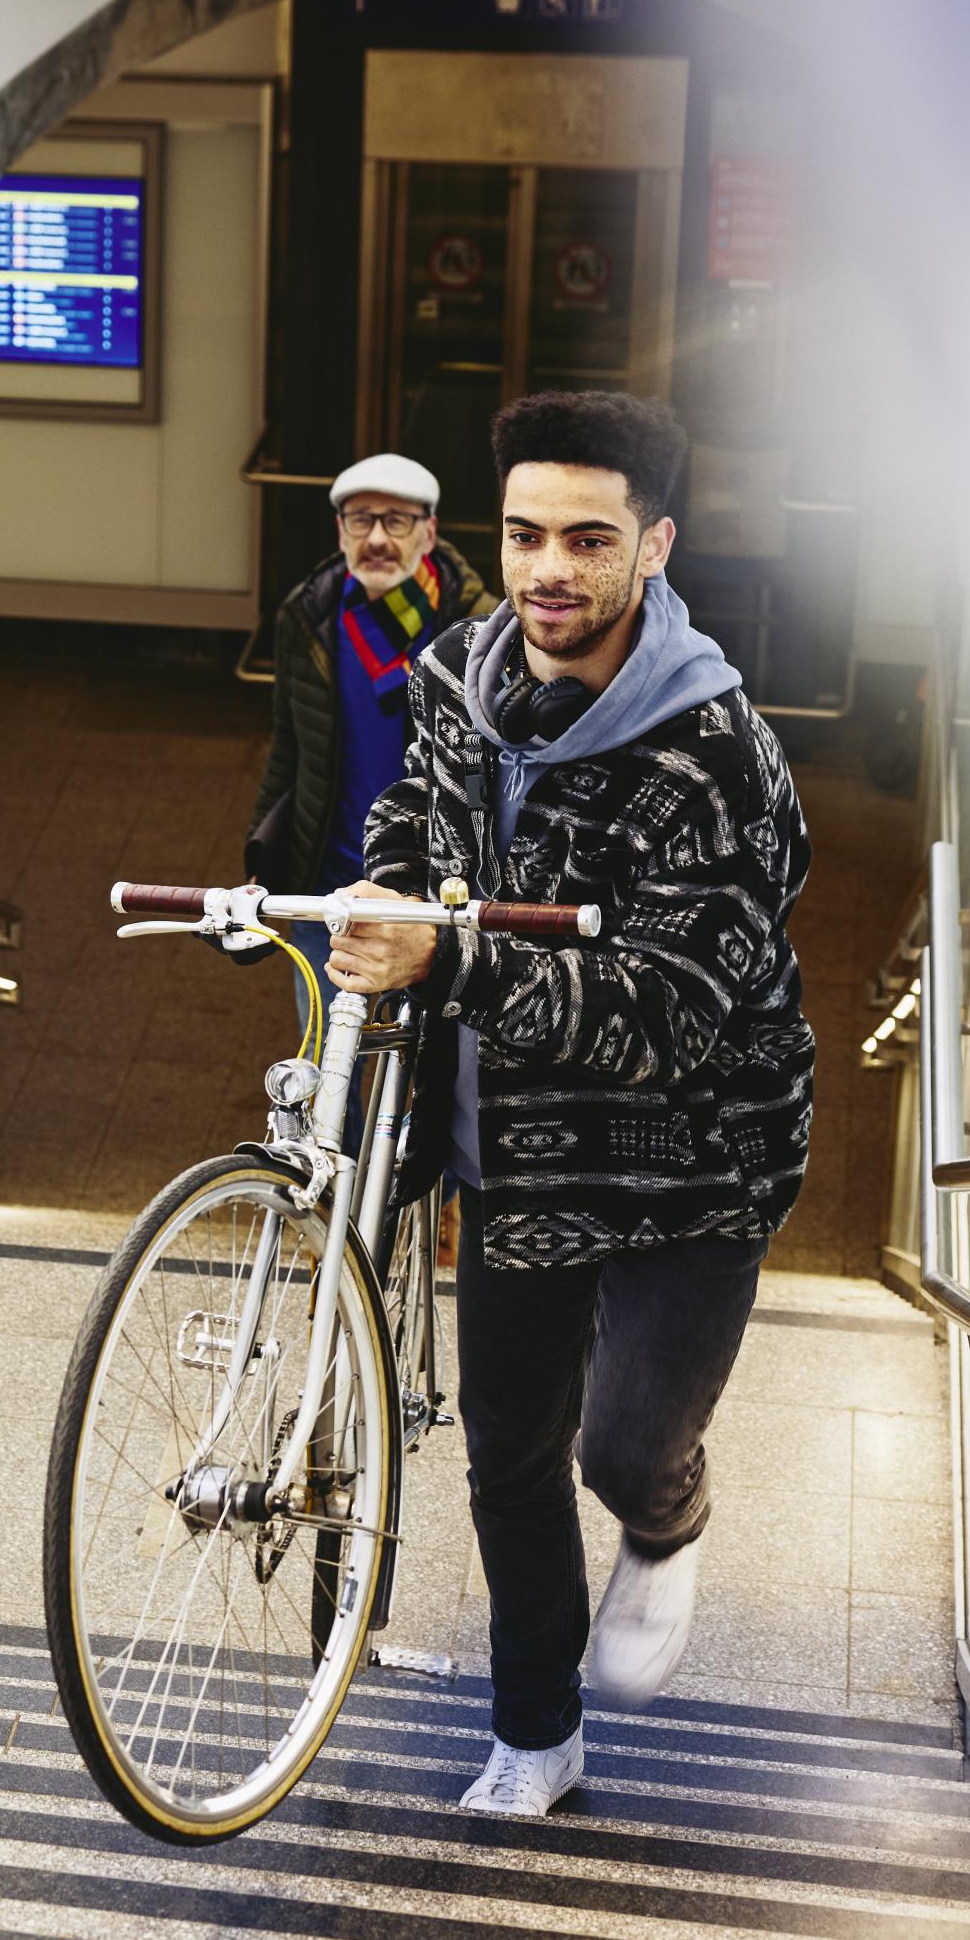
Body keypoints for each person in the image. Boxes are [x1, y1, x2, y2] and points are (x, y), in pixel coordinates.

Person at [321, 391, 816, 1819]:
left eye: (589, 540)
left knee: (619, 1449)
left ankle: (668, 1522)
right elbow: (421, 807)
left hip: (693, 1163)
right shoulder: (467, 665)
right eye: (526, 533)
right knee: (513, 1454)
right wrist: (389, 881)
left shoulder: (718, 757)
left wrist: (453, 954)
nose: (549, 568)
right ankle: (536, 1734)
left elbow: (663, 1019)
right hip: (523, 1152)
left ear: (652, 545)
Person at [249, 453, 487, 998]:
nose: (377, 539)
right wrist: (261, 853)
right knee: (328, 1064)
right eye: (362, 520)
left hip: (429, 896)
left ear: (429, 532)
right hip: (327, 891)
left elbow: (485, 769)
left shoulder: (477, 633)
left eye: (396, 520)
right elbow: (287, 749)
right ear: (340, 531)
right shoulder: (307, 618)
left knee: (422, 1067)